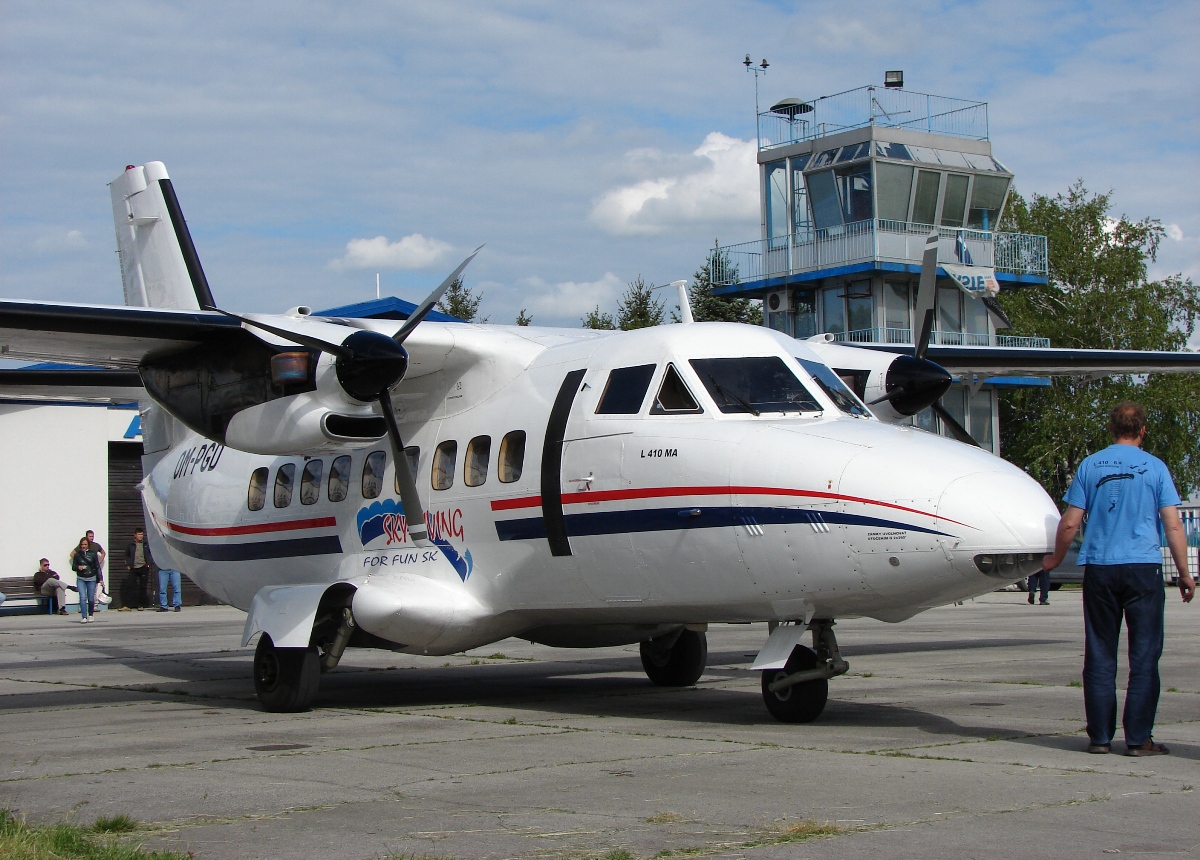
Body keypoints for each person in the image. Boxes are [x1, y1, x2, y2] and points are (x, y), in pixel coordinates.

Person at [1040, 402, 1196, 757]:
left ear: (1111, 429)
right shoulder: (1155, 468)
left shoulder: (1090, 465)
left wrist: (1055, 559)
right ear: (1142, 430)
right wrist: (1185, 573)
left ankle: (1099, 737)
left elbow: (1070, 522)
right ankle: (1139, 739)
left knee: (1099, 651)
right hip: (1142, 568)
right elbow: (1172, 524)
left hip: (1100, 566)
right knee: (1143, 655)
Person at [122, 528, 155, 611]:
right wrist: (128, 564)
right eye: (139, 534)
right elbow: (126, 555)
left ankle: (141, 605)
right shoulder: (131, 544)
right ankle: (127, 605)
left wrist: (149, 563)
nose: (141, 536)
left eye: (142, 534)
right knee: (129, 585)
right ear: (135, 535)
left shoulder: (146, 544)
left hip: (143, 567)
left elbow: (151, 554)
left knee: (143, 587)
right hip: (133, 568)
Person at [71, 536, 101, 623]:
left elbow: (97, 566)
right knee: (82, 597)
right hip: (81, 578)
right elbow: (73, 567)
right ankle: (84, 616)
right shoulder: (77, 555)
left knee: (91, 598)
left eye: (85, 544)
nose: (83, 546)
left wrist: (100, 579)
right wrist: (78, 567)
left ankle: (91, 614)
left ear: (88, 545)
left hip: (91, 578)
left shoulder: (93, 553)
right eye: (82, 544)